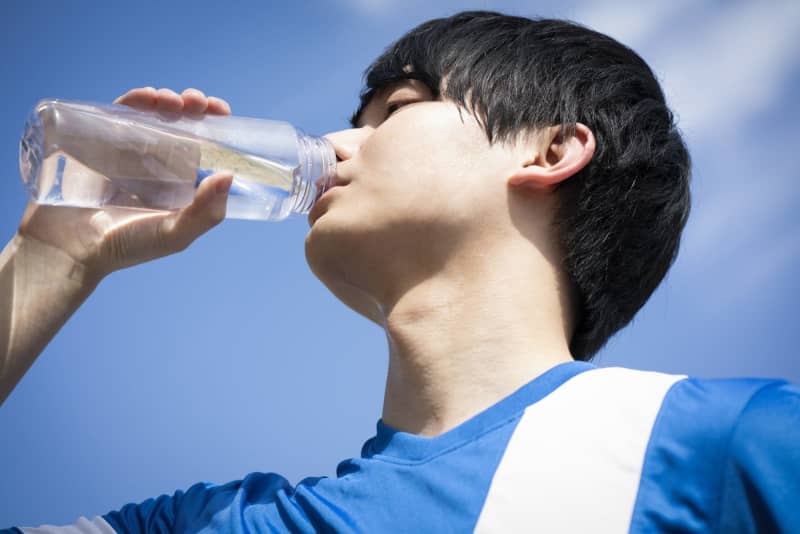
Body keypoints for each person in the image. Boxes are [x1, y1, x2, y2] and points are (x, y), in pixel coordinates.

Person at [1, 10, 798, 533]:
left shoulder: (716, 443)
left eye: (397, 109)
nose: (334, 145)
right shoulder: (228, 522)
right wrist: (53, 258)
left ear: (551, 150)